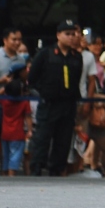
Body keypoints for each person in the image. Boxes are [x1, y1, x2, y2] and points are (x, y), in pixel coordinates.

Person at [28, 19, 84, 176]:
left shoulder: (76, 57)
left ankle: (57, 169)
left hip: (68, 104)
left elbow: (77, 80)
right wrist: (44, 92)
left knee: (63, 140)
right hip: (49, 103)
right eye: (68, 34)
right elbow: (32, 78)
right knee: (42, 138)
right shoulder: (46, 54)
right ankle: (37, 168)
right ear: (58, 35)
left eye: (74, 34)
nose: (72, 37)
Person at [0, 75, 30, 176]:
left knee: (6, 156)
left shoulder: (5, 101)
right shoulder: (24, 103)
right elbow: (28, 117)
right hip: (17, 134)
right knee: (15, 157)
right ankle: (11, 176)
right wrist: (30, 130)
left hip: (5, 133)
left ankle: (4, 175)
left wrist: (7, 85)